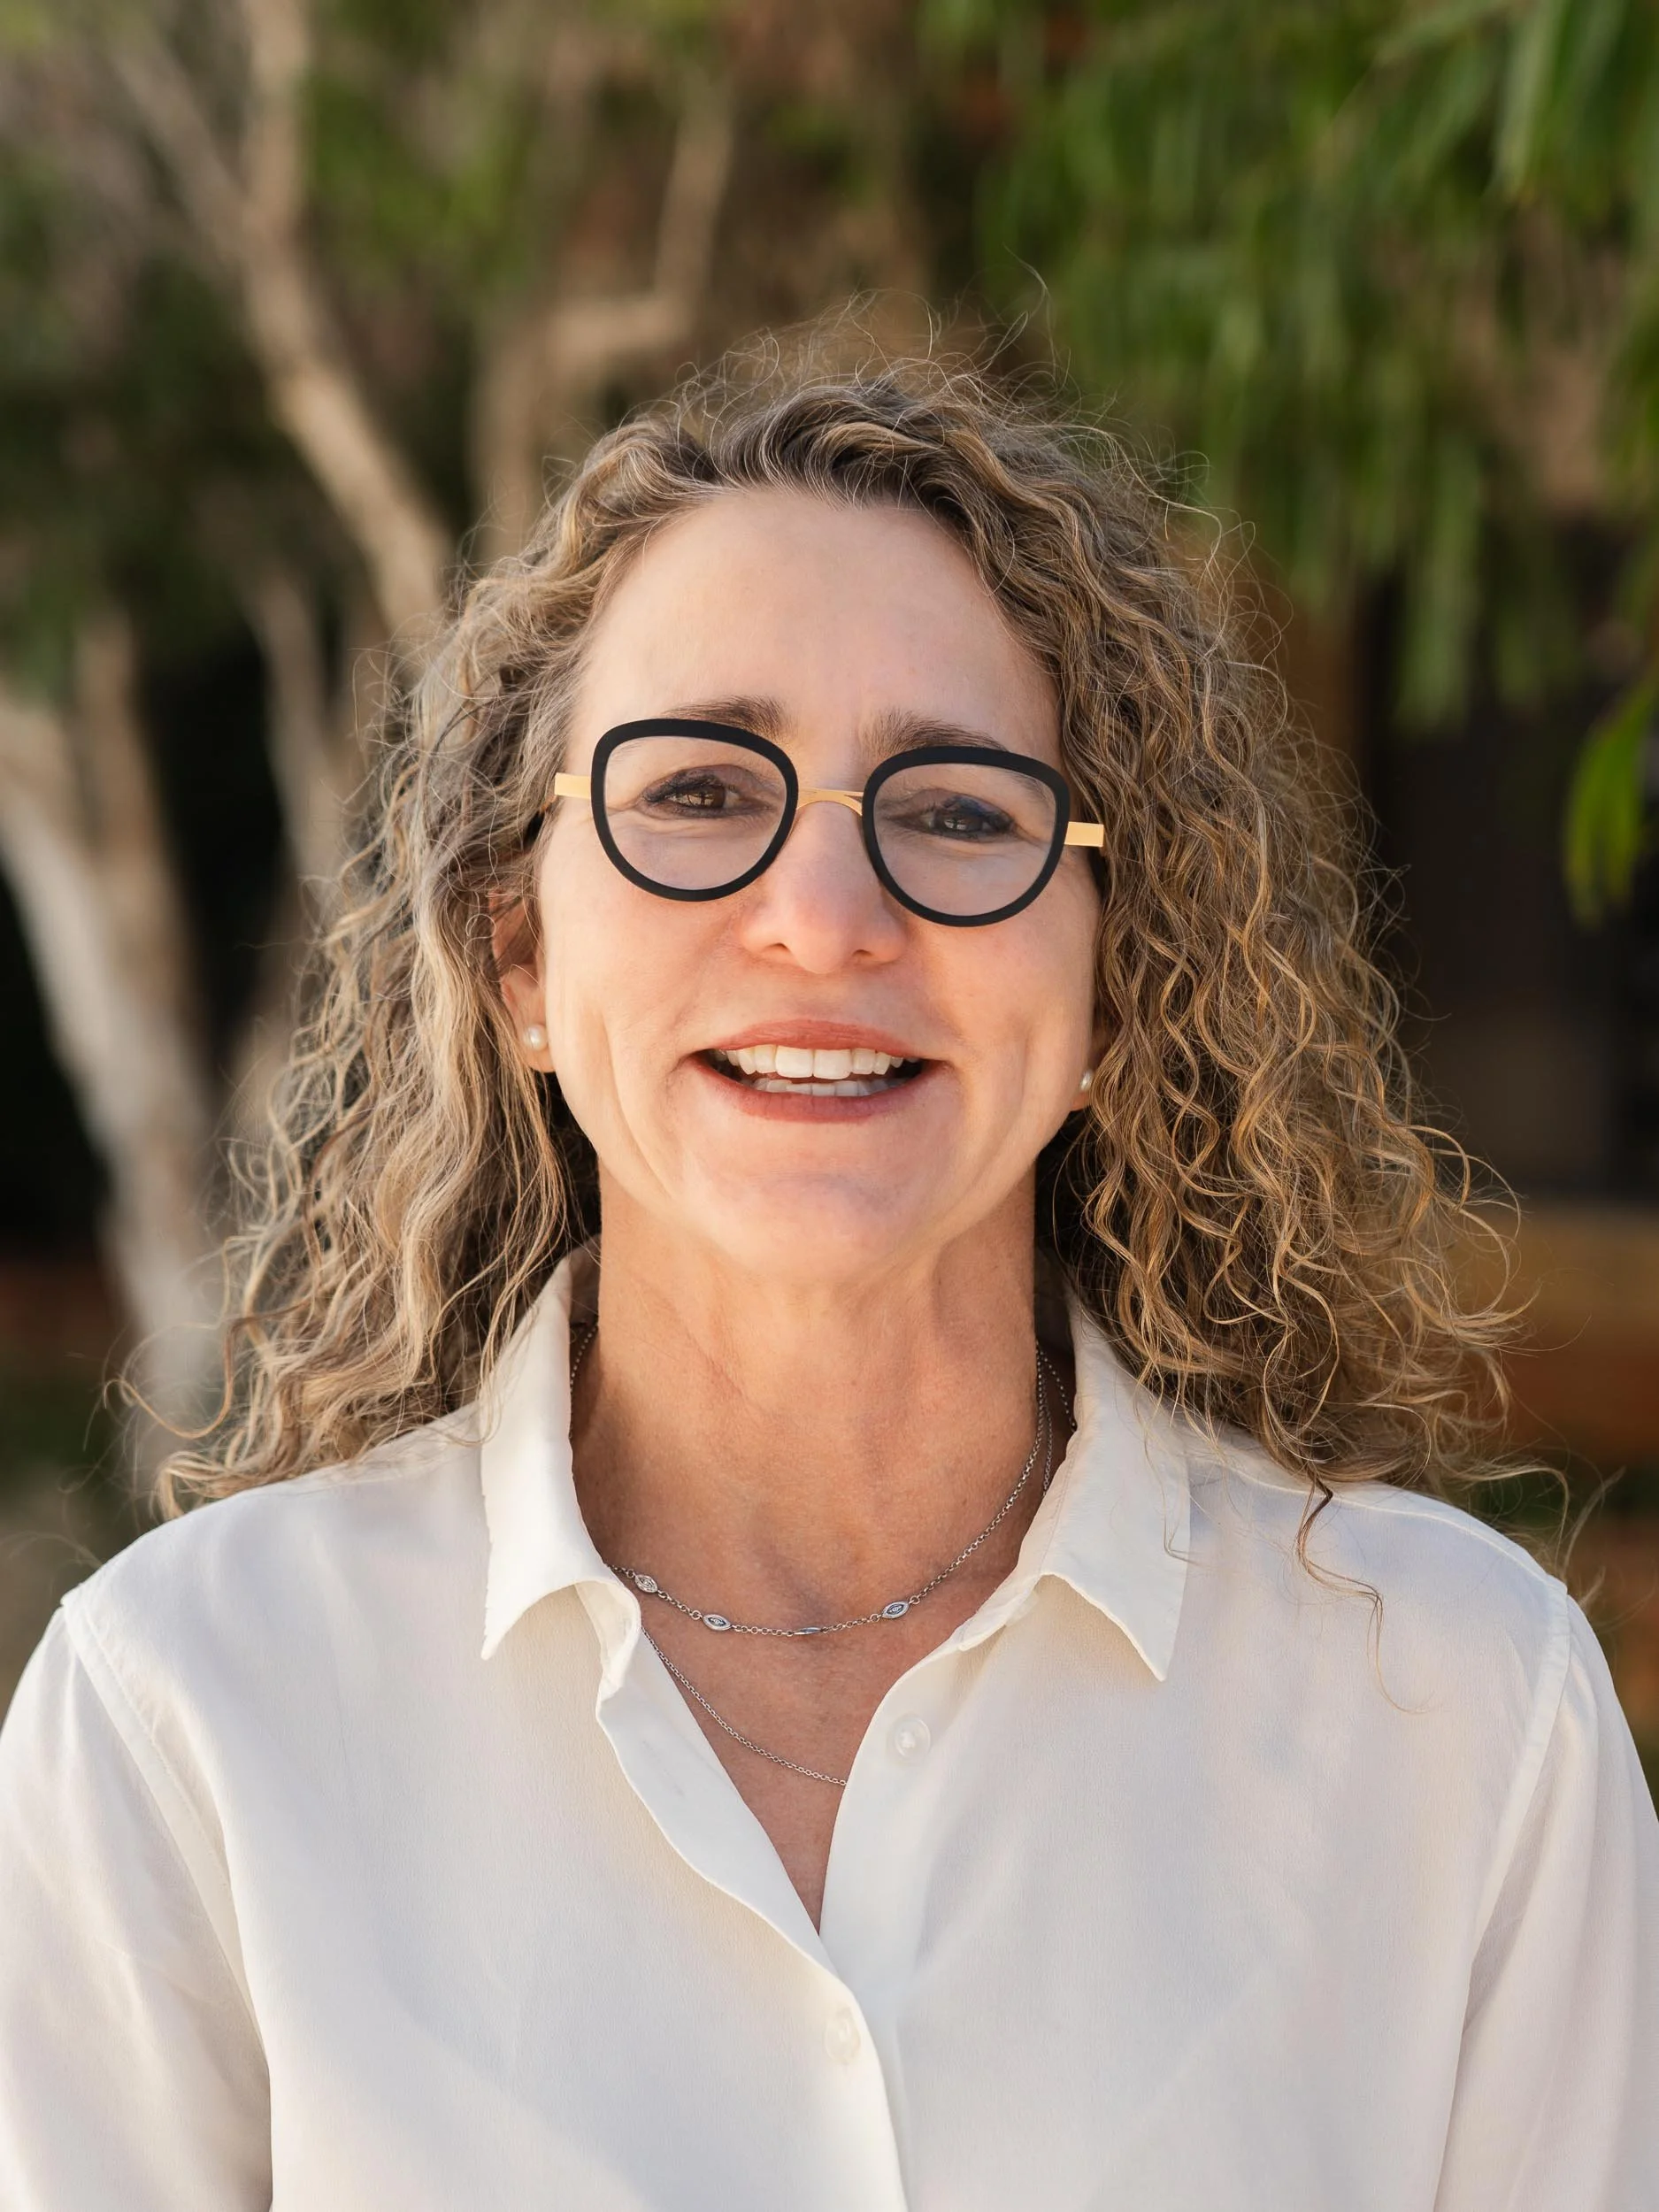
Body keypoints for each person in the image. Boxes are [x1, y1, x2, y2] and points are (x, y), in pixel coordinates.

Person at [1, 337, 1655, 2211]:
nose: (823, 915)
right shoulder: (188, 1722)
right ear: (521, 954)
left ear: (1119, 972)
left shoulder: (1453, 1716)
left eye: (958, 809)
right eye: (701, 789)